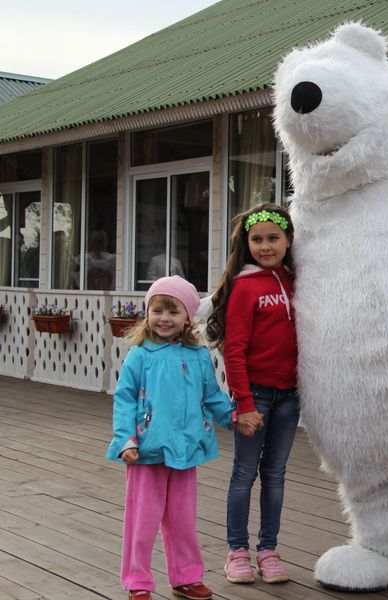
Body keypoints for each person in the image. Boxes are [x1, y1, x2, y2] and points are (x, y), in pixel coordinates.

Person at [106, 276, 235, 600]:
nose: (164, 318)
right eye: (157, 310)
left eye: (173, 311)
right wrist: (126, 440)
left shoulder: (199, 356)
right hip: (146, 451)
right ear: (147, 312)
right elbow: (124, 399)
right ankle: (137, 581)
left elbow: (213, 396)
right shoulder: (141, 354)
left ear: (188, 317)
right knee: (142, 521)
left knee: (182, 520)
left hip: (185, 449)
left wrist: (233, 417)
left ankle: (186, 576)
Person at [206, 203, 300, 585]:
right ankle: (237, 551)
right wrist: (243, 404)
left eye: (273, 238)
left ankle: (269, 550)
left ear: (288, 240)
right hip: (255, 397)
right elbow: (235, 350)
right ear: (246, 244)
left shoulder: (295, 281)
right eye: (257, 239)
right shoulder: (245, 286)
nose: (265, 246)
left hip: (289, 397)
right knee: (243, 474)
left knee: (275, 475)